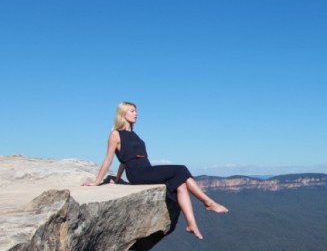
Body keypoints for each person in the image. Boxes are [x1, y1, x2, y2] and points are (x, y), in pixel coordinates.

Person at [83, 101, 227, 239]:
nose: (136, 114)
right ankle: (208, 202)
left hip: (147, 169)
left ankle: (191, 224)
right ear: (123, 113)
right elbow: (110, 159)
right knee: (181, 169)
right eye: (132, 111)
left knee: (181, 184)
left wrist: (116, 179)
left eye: (136, 111)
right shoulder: (115, 134)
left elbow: (123, 161)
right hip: (138, 174)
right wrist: (97, 182)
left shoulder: (134, 134)